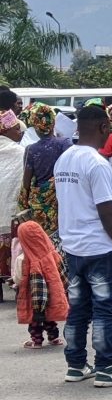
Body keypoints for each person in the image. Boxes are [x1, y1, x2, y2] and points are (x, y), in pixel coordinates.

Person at [53, 104, 112, 387]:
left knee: (78, 308)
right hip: (101, 248)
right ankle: (107, 369)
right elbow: (106, 211)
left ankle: (76, 365)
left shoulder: (64, 158)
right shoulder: (97, 163)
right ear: (104, 127)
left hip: (73, 246)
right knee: (105, 310)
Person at [19, 103, 73, 242]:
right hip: (62, 198)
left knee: (43, 241)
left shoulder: (31, 149)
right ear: (54, 123)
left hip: (39, 204)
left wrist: (24, 202)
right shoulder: (65, 143)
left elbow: (26, 181)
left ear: (35, 127)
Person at [16, 220, 68, 349]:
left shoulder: (29, 261)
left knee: (35, 319)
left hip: (36, 297)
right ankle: (54, 337)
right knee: (50, 316)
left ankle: (36, 340)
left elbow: (21, 280)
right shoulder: (54, 254)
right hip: (54, 293)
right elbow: (63, 274)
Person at [0, 110, 27, 277]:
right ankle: (18, 288)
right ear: (5, 131)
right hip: (11, 215)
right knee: (17, 255)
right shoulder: (20, 152)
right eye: (16, 129)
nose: (20, 132)